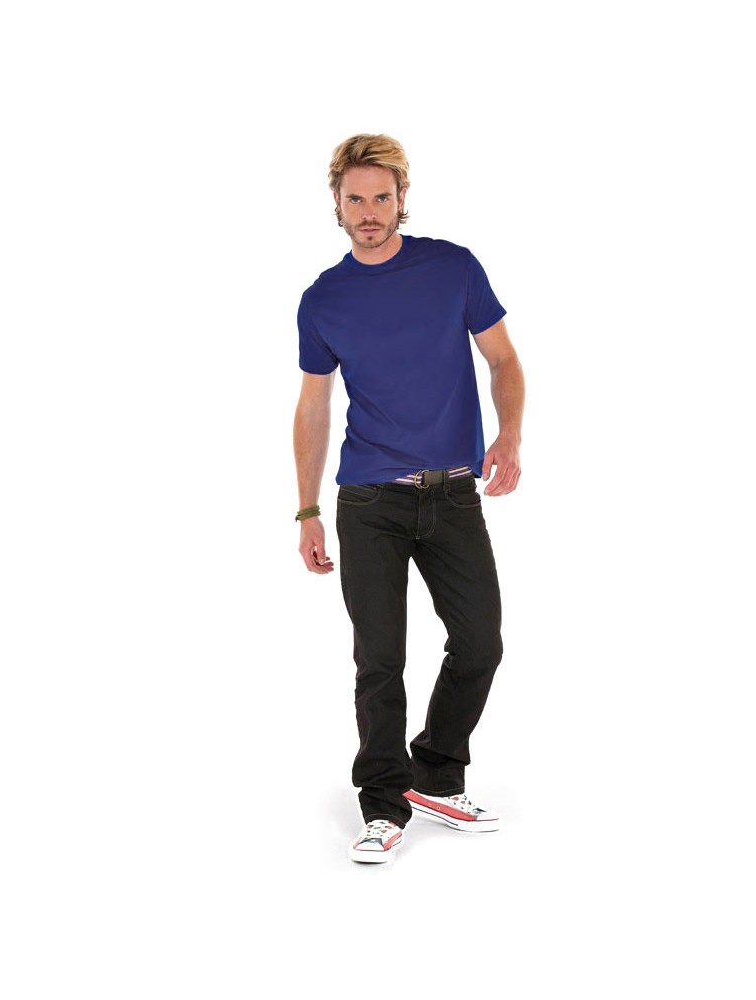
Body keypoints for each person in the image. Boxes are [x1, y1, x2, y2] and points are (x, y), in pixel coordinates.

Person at [293, 134, 525, 864]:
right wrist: (307, 510)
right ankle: (383, 804)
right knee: (380, 661)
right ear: (336, 204)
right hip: (369, 503)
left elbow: (503, 359)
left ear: (402, 198)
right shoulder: (323, 299)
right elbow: (313, 407)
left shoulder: (452, 268)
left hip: (453, 494)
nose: (369, 211)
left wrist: (509, 434)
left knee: (480, 642)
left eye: (381, 197)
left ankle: (436, 772)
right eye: (355, 199)